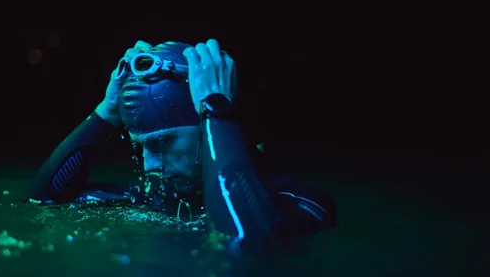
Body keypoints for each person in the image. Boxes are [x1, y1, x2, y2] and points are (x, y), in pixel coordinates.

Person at [26, 39, 339, 250]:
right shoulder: (158, 199)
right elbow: (43, 202)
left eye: (164, 143)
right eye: (142, 147)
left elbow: (244, 242)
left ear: (205, 129)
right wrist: (105, 113)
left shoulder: (302, 202)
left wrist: (216, 109)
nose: (150, 165)